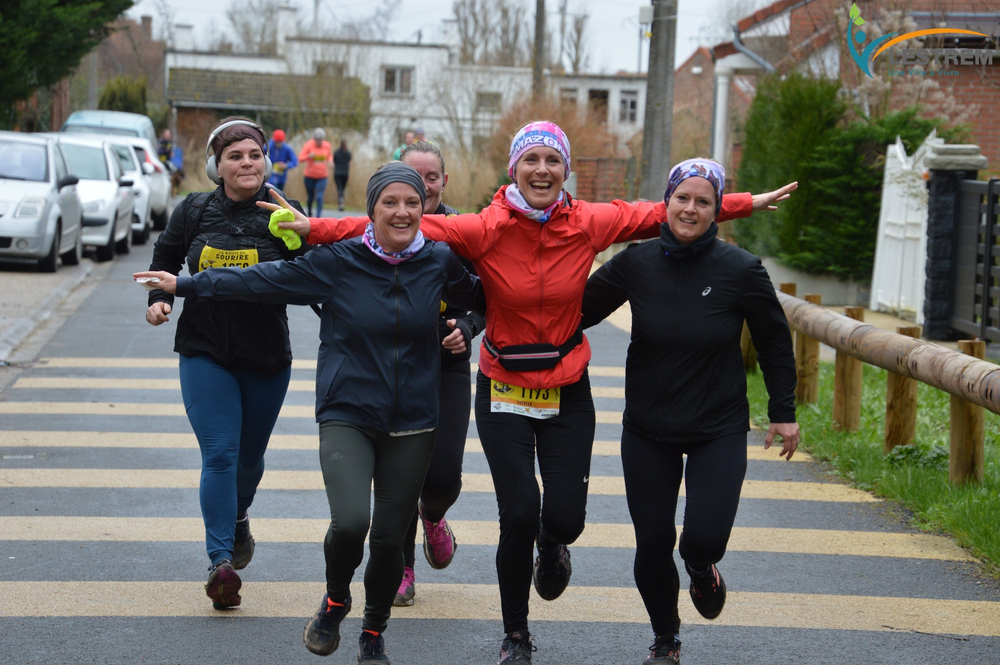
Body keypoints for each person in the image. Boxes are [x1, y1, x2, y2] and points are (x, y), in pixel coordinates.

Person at [267, 120, 796, 664]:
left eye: (552, 160)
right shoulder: (484, 227)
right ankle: (515, 635)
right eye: (531, 160)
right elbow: (396, 222)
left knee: (564, 519)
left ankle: (554, 542)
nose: (542, 170)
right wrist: (314, 228)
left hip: (566, 387)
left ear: (565, 170)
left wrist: (743, 203)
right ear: (514, 168)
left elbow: (668, 210)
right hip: (503, 388)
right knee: (518, 513)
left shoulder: (589, 221)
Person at [135, 162, 484, 663]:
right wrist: (185, 286)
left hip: (413, 419)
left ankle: (373, 633)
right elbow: (260, 280)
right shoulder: (339, 261)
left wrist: (466, 326)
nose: (403, 212)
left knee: (389, 541)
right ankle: (336, 600)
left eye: (412, 202)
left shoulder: (439, 260)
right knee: (351, 522)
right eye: (390, 202)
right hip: (347, 413)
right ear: (371, 210)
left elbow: (483, 298)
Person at [580, 158, 800, 665]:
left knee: (702, 539)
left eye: (703, 201)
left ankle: (701, 567)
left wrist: (783, 411)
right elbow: (575, 312)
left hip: (717, 428)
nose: (690, 209)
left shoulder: (740, 269)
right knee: (653, 541)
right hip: (647, 428)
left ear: (717, 210)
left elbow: (773, 341)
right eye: (682, 197)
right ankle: (666, 639)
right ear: (667, 202)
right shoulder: (636, 262)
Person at [140, 116, 309, 611]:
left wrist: (300, 236)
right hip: (205, 349)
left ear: (266, 162)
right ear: (218, 166)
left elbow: (313, 271)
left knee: (248, 461)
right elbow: (165, 259)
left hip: (266, 355)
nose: (246, 163)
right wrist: (158, 300)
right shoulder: (193, 210)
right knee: (219, 453)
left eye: (254, 155)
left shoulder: (285, 211)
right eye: (235, 156)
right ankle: (220, 564)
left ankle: (238, 517)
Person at [391, 140, 485, 608]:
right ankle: (402, 569)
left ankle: (434, 515)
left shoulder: (463, 233)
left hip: (447, 367)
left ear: (443, 182)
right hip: (394, 368)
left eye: (431, 177)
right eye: (414, 176)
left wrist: (466, 328)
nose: (424, 186)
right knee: (400, 475)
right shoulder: (381, 228)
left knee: (443, 476)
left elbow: (485, 299)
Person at [299, 128, 333, 216]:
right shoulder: (308, 145)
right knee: (310, 197)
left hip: (322, 176)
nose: (319, 142)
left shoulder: (327, 145)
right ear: (314, 139)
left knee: (319, 196)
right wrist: (308, 156)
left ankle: (318, 217)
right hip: (309, 176)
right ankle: (309, 213)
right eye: (317, 140)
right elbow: (300, 158)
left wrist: (330, 161)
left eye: (321, 140)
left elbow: (329, 156)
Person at [333, 139, 352, 211]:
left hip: (337, 172)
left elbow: (334, 161)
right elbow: (349, 160)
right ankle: (341, 200)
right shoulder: (348, 153)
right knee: (343, 188)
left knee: (339, 188)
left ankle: (340, 200)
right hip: (345, 173)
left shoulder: (336, 153)